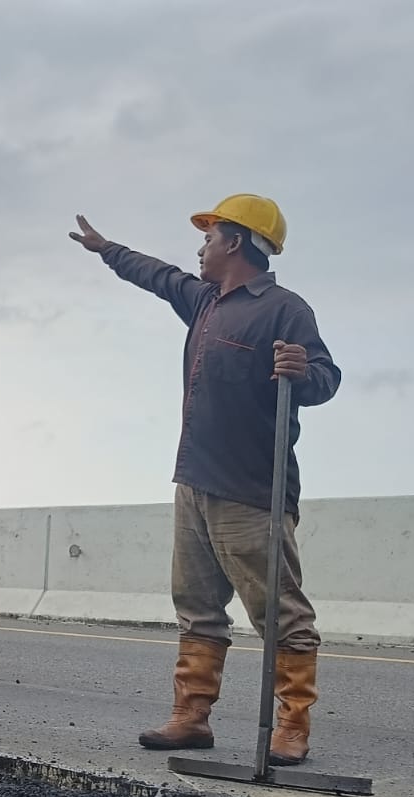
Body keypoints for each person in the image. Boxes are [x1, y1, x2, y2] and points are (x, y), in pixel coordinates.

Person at [68, 194, 341, 766]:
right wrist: (105, 250)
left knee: (279, 611)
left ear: (236, 242)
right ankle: (191, 716)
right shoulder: (205, 302)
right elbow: (158, 275)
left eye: (209, 237)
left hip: (252, 489)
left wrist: (303, 371)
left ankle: (291, 724)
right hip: (193, 481)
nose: (200, 248)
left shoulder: (284, 309)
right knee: (196, 605)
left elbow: (325, 377)